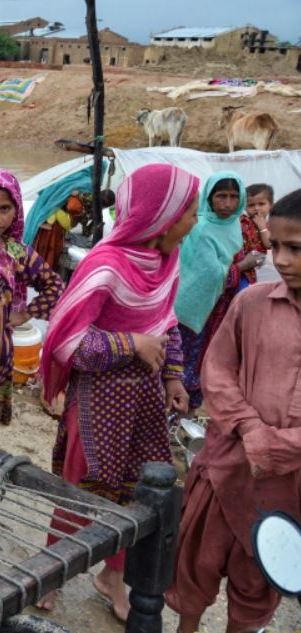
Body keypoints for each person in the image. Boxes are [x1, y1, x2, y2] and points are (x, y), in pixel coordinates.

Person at [35, 164, 201, 620]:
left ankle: (113, 577)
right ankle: (53, 571)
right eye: (190, 212)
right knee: (82, 487)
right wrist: (132, 344)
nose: (195, 221)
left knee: (136, 491)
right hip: (98, 401)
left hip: (144, 401)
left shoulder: (167, 262)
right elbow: (67, 341)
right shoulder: (105, 266)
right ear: (162, 218)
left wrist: (172, 376)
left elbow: (166, 322)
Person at [165, 187, 301, 633]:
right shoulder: (252, 303)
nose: (282, 260)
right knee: (195, 564)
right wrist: (249, 428)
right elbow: (218, 370)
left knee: (258, 582)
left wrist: (281, 445)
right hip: (227, 464)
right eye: (276, 246)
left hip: (290, 488)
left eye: (296, 249)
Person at [0, 168, 64, 433]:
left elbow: (54, 285)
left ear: (16, 209)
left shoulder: (15, 250)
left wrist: (26, 313)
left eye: (5, 209)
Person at [176, 172, 263, 410]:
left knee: (209, 357)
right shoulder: (202, 228)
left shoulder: (236, 225)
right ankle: (174, 410)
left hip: (221, 307)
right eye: (221, 196)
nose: (227, 203)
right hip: (195, 307)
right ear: (209, 198)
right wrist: (242, 266)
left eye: (234, 197)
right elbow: (210, 275)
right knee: (186, 357)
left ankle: (190, 412)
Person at [241, 183, 274, 284]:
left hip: (258, 264)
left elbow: (269, 244)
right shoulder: (242, 221)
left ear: (271, 205)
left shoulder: (271, 225)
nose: (256, 208)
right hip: (241, 261)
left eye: (261, 204)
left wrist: (262, 227)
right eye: (251, 205)